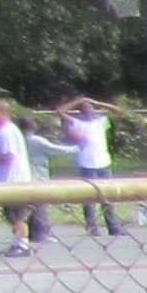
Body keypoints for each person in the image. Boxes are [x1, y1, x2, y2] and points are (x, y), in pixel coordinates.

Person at [56, 96, 120, 237]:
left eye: (90, 106)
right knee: (89, 198)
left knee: (107, 197)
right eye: (85, 107)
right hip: (87, 164)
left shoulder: (101, 122)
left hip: (103, 162)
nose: (88, 108)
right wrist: (77, 101)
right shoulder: (77, 123)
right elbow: (60, 111)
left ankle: (113, 226)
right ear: (81, 110)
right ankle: (92, 227)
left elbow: (117, 111)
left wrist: (97, 101)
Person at [0, 97, 38, 256]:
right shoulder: (0, 131)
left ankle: (22, 245)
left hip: (14, 180)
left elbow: (8, 156)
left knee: (17, 215)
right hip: (6, 180)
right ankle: (17, 242)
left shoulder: (7, 131)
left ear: (2, 112)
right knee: (11, 214)